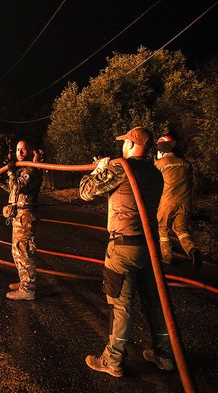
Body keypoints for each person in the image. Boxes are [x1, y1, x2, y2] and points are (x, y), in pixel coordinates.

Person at [79, 126, 173, 378]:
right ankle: (164, 354)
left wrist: (98, 170)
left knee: (121, 305)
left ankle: (113, 360)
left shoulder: (121, 168)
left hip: (123, 247)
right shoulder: (156, 173)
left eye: (124, 142)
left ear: (131, 144)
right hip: (149, 248)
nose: (121, 146)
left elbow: (86, 192)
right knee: (154, 301)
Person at [0, 140, 43, 300]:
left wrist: (11, 172)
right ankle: (24, 281)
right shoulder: (22, 169)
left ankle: (28, 289)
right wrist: (1, 180)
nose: (20, 152)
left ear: (30, 151)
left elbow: (18, 187)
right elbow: (12, 189)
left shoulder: (31, 169)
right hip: (18, 215)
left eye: (24, 149)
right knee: (17, 250)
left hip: (26, 215)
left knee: (23, 250)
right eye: (18, 149)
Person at [155, 135, 201, 270]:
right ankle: (192, 250)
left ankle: (167, 256)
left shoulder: (161, 163)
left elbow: (152, 177)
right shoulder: (186, 163)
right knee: (182, 230)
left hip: (168, 201)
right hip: (185, 202)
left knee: (162, 228)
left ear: (161, 149)